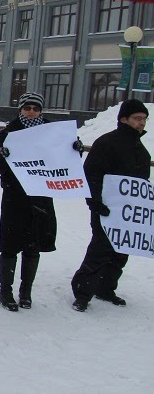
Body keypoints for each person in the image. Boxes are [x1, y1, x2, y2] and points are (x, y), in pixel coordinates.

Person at [0, 92, 83, 311]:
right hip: (15, 197)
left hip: (40, 197)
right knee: (10, 245)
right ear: (20, 109)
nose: (31, 111)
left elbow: (64, 162)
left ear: (41, 110)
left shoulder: (53, 134)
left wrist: (74, 150)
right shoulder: (10, 133)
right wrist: (3, 155)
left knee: (33, 246)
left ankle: (26, 291)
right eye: (27, 107)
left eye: (36, 108)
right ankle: (5, 292)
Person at [71, 99, 150, 312]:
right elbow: (92, 174)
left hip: (127, 214)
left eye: (144, 119)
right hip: (105, 209)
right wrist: (95, 202)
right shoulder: (106, 143)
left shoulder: (141, 151)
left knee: (121, 252)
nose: (142, 123)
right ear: (124, 119)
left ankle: (106, 288)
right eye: (137, 118)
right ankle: (82, 292)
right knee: (100, 250)